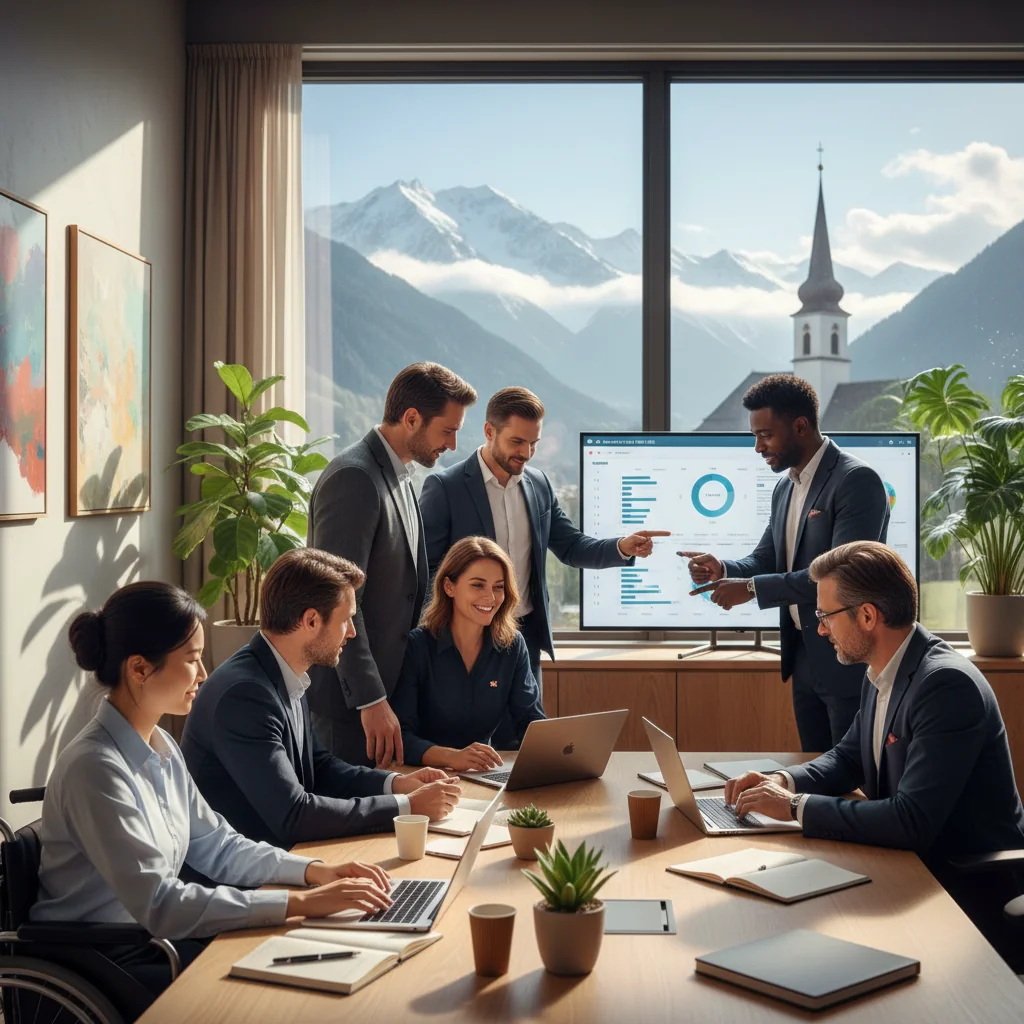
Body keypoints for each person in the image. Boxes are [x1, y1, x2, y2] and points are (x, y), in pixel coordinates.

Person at [31, 581, 395, 999]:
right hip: (98, 962)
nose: (204, 674)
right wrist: (301, 904)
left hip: (151, 940)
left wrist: (314, 872)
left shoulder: (161, 745)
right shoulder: (95, 769)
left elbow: (218, 845)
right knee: (273, 989)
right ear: (139, 668)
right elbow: (161, 903)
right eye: (192, 660)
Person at [724, 541, 1024, 970]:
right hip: (905, 869)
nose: (821, 629)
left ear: (867, 616)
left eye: (825, 615)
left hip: (962, 887)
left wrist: (792, 807)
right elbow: (848, 758)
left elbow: (911, 821)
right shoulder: (884, 668)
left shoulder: (945, 687)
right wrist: (783, 782)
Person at [419, 386, 667, 747]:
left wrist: (620, 547)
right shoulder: (445, 487)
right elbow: (429, 572)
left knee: (526, 742)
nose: (527, 453)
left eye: (534, 443)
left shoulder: (538, 484)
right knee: (467, 749)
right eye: (517, 442)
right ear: (489, 432)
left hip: (523, 639)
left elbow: (570, 546)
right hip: (464, 640)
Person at [181, 549, 461, 849]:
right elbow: (294, 815)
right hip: (242, 881)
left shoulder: (282, 672)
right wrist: (406, 807)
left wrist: (397, 785)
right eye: (347, 620)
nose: (352, 633)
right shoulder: (245, 695)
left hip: (280, 859)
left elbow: (320, 768)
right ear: (311, 620)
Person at [681, 373, 890, 751]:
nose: (758, 447)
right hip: (804, 657)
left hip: (848, 660)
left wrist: (749, 590)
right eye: (754, 436)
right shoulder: (785, 486)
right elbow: (767, 558)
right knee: (815, 772)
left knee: (854, 783)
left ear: (800, 426)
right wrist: (724, 569)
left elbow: (840, 579)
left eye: (765, 435)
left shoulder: (856, 481)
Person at [307, 361, 477, 768]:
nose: (453, 445)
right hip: (351, 708)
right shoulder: (355, 479)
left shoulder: (401, 475)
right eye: (447, 431)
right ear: (412, 419)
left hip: (387, 699)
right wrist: (370, 699)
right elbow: (341, 600)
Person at [391, 536, 547, 769]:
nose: (491, 597)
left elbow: (530, 720)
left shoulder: (512, 646)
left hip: (481, 774)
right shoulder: (417, 646)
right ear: (449, 587)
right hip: (421, 776)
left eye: (498, 587)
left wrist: (559, 752)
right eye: (477, 585)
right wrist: (452, 757)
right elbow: (401, 736)